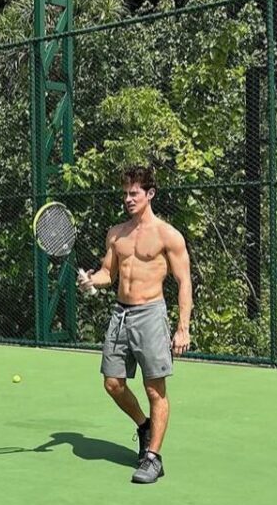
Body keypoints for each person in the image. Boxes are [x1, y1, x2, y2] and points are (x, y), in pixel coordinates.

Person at [78, 165, 192, 484]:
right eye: (125, 193)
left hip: (151, 315)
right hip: (120, 314)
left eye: (134, 193)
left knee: (155, 388)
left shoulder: (168, 235)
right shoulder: (116, 233)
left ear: (149, 194)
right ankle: (144, 427)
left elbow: (184, 282)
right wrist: (92, 281)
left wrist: (183, 327)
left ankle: (153, 458)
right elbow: (107, 273)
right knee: (112, 383)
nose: (128, 199)